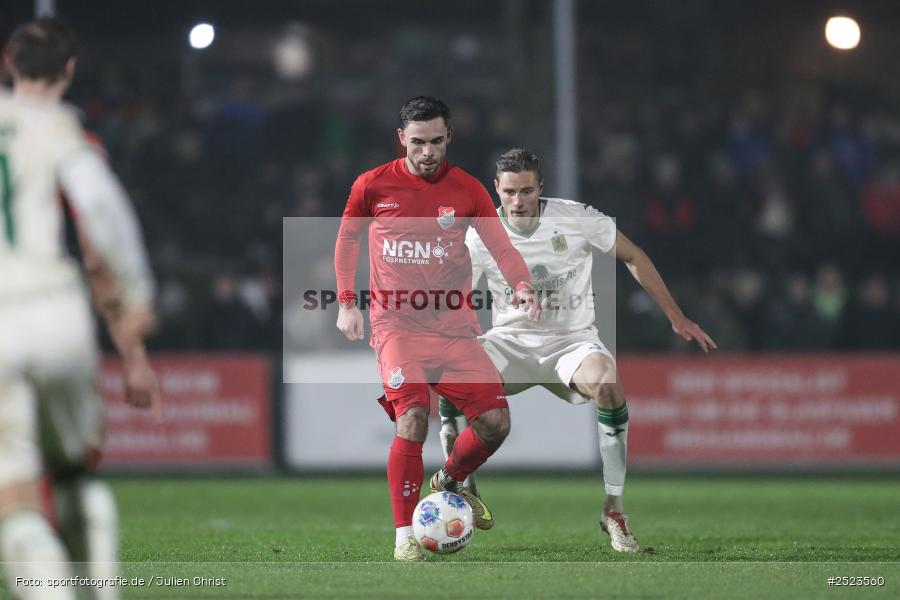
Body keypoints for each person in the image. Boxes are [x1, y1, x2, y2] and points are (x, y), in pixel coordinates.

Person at [438, 149, 716, 552]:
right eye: (510, 192)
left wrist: (676, 317)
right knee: (452, 371)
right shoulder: (479, 233)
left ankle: (614, 511)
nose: (518, 202)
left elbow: (633, 255)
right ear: (496, 189)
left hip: (571, 341)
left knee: (606, 383)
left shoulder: (575, 217)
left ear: (541, 188)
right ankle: (461, 485)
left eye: (527, 191)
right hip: (510, 342)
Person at [334, 97, 540, 561]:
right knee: (413, 416)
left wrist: (522, 286)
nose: (428, 152)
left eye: (437, 142)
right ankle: (404, 537)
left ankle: (448, 478)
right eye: (419, 142)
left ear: (450, 138)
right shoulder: (371, 185)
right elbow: (347, 240)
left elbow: (501, 246)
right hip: (397, 327)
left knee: (495, 423)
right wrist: (347, 303)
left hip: (454, 328)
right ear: (402, 139)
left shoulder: (467, 190)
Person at [0, 18, 158, 599]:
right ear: (69, 70)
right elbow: (104, 215)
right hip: (57, 310)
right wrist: (138, 296)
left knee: (14, 498)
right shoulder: (64, 130)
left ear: (8, 62)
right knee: (72, 471)